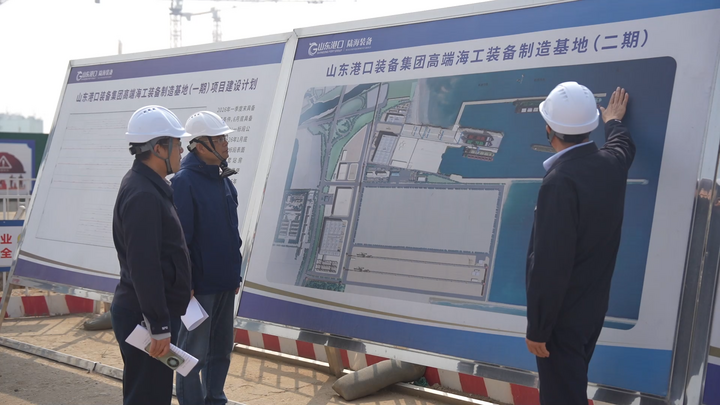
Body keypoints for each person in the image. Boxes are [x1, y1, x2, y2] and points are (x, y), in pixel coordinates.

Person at [525, 84, 635, 405]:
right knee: (570, 386)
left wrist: (539, 328)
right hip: (591, 309)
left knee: (562, 396)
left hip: (561, 319)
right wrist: (614, 121)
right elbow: (623, 146)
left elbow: (550, 263)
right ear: (591, 126)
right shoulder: (611, 163)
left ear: (549, 129)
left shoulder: (559, 182)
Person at [110, 105, 193, 405]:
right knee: (148, 397)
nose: (181, 150)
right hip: (144, 316)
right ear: (158, 148)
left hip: (147, 312)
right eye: (177, 143)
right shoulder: (143, 194)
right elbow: (144, 266)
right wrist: (158, 325)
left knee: (151, 394)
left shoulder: (148, 186)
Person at [172, 111, 243, 405]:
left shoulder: (223, 179)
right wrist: (186, 282)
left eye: (225, 137)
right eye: (219, 138)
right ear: (200, 146)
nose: (226, 143)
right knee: (191, 354)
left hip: (224, 282)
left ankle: (215, 399)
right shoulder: (184, 182)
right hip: (199, 288)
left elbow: (231, 233)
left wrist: (235, 274)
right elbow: (180, 240)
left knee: (221, 350)